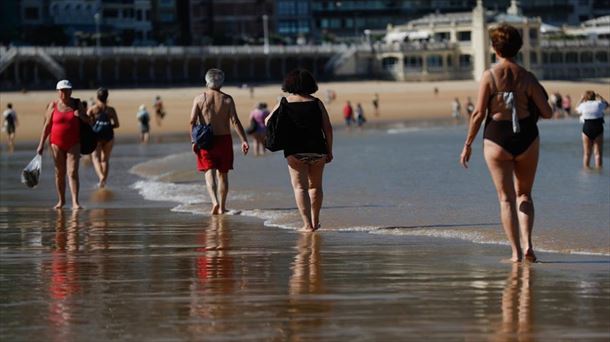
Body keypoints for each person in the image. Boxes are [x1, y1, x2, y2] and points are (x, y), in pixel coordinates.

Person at [460, 24, 552, 262]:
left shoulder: (489, 76)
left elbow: (478, 114)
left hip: (497, 138)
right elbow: (548, 112)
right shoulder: (527, 77)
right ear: (518, 48)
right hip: (527, 137)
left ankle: (515, 252)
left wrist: (468, 143)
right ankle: (529, 244)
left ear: (494, 48)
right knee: (525, 195)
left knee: (505, 198)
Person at [265, 68, 334, 232]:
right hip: (318, 149)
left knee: (300, 188)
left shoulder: (285, 102)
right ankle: (316, 222)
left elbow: (268, 120)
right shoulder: (317, 103)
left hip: (294, 150)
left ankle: (307, 224)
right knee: (316, 187)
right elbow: (328, 129)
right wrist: (329, 151)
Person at [190, 68, 249, 215]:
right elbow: (235, 121)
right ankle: (222, 207)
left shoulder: (199, 99)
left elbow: (192, 121)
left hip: (205, 139)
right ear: (221, 82)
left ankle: (214, 202)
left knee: (209, 171)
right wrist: (244, 140)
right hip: (224, 140)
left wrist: (193, 141)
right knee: (223, 174)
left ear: (206, 81)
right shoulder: (227, 99)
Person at [36, 80, 90, 209]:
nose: (65, 93)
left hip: (74, 143)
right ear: (58, 91)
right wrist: (41, 144)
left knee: (72, 172)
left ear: (71, 91)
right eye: (62, 90)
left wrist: (81, 115)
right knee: (60, 173)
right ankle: (61, 201)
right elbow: (47, 126)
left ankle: (75, 202)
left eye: (67, 90)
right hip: (56, 144)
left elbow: (89, 120)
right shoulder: (52, 105)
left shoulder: (77, 104)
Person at [88, 87, 120, 188]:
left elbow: (87, 122)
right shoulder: (111, 110)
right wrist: (108, 126)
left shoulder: (93, 109)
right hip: (108, 135)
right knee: (105, 160)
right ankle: (103, 181)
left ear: (97, 97)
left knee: (95, 158)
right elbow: (117, 124)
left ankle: (101, 177)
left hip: (96, 136)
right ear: (107, 97)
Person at [576, 91, 607, 168]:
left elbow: (576, 109)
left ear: (585, 97)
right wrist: (600, 97)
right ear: (594, 97)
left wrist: (581, 99)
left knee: (587, 153)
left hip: (587, 128)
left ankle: (586, 171)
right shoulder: (599, 104)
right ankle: (599, 170)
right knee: (598, 153)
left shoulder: (583, 105)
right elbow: (607, 105)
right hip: (598, 127)